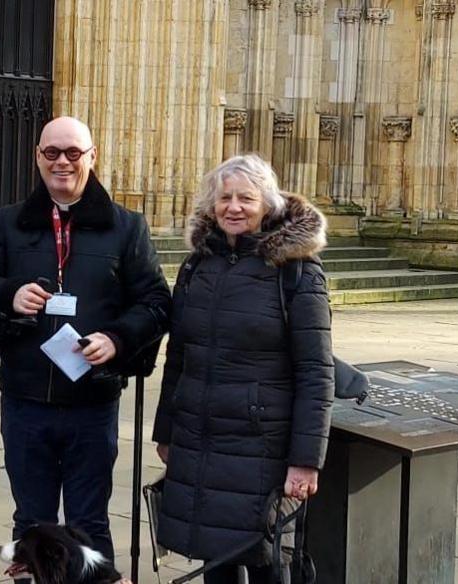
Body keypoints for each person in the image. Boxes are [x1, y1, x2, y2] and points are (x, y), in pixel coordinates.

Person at [0, 116, 170, 564]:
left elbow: (156, 303)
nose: (62, 162)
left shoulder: (126, 227)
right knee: (32, 523)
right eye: (52, 152)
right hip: (26, 401)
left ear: (92, 157)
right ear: (38, 157)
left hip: (92, 403)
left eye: (73, 153)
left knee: (89, 523)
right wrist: (9, 294)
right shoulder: (11, 222)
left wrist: (116, 339)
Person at [152, 154, 335, 584]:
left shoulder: (296, 270)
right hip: (201, 440)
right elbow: (179, 355)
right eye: (225, 197)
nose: (233, 207)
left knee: (269, 561)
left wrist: (306, 461)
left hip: (262, 447)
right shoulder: (199, 264)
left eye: (246, 198)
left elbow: (315, 371)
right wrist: (167, 432)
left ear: (266, 204)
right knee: (215, 561)